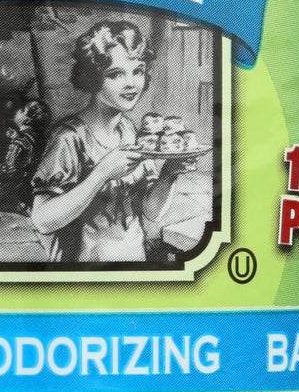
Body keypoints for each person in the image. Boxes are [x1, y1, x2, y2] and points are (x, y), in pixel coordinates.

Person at [30, 21, 190, 262]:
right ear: (93, 78)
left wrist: (169, 173)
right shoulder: (69, 137)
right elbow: (42, 221)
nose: (131, 83)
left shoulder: (130, 130)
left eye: (138, 71)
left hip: (134, 261)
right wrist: (101, 173)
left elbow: (150, 212)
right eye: (116, 74)